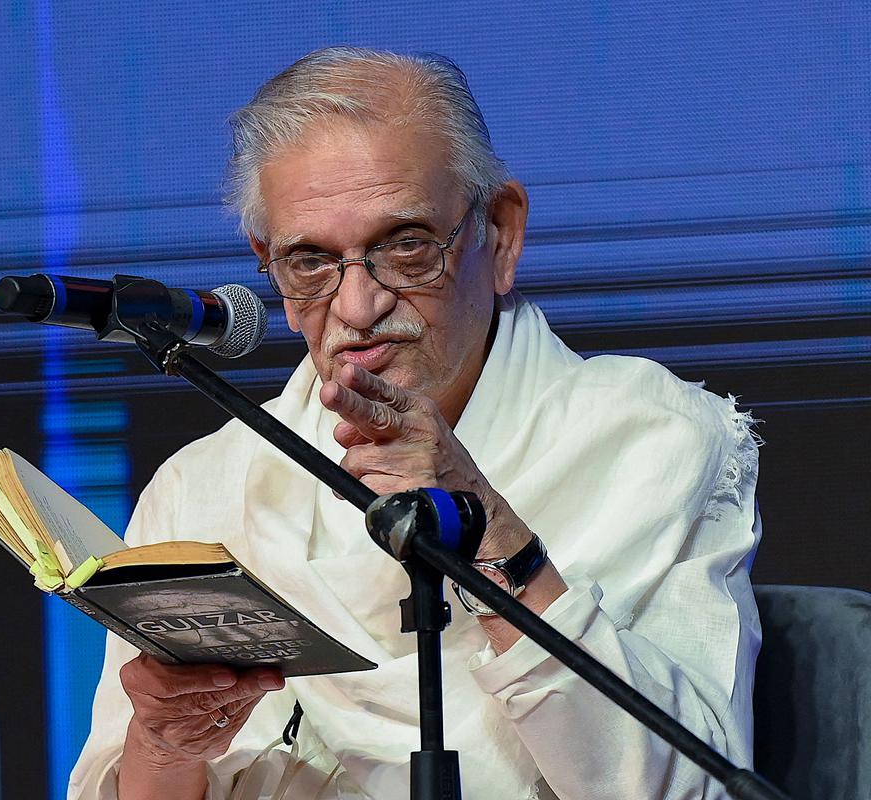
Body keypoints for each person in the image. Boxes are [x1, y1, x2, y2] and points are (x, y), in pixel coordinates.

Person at [68, 46, 761, 800]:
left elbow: (695, 790)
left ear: (500, 234)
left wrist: (489, 525)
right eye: (310, 261)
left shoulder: (653, 442)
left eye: (405, 247)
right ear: (266, 263)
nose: (359, 308)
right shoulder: (205, 487)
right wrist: (168, 748)